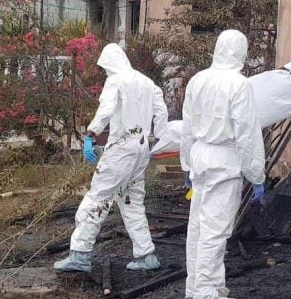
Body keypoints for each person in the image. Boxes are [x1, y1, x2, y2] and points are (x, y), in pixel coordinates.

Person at [54, 43, 168, 273]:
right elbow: (162, 112)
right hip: (141, 149)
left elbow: (106, 110)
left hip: (121, 152)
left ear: (110, 64)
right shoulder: (146, 82)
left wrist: (91, 133)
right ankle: (146, 255)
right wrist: (160, 138)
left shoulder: (116, 81)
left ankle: (80, 254)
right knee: (132, 202)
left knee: (98, 197)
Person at [181, 30, 266, 299]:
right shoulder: (238, 84)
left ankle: (199, 287)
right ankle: (205, 293)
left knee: (197, 227)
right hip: (225, 161)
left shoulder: (198, 80)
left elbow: (187, 127)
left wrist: (186, 164)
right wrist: (257, 174)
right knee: (215, 231)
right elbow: (247, 133)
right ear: (242, 52)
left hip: (200, 155)